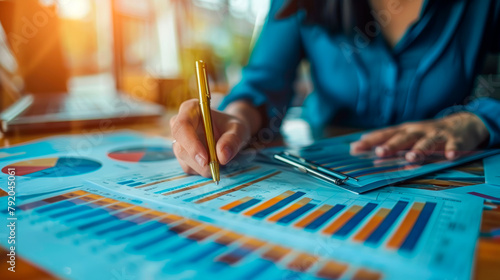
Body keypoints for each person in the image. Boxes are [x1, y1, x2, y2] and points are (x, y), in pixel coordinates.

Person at [170, 0, 500, 178]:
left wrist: (479, 120)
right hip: (322, 174)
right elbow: (263, 82)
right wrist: (236, 118)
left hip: (444, 174)